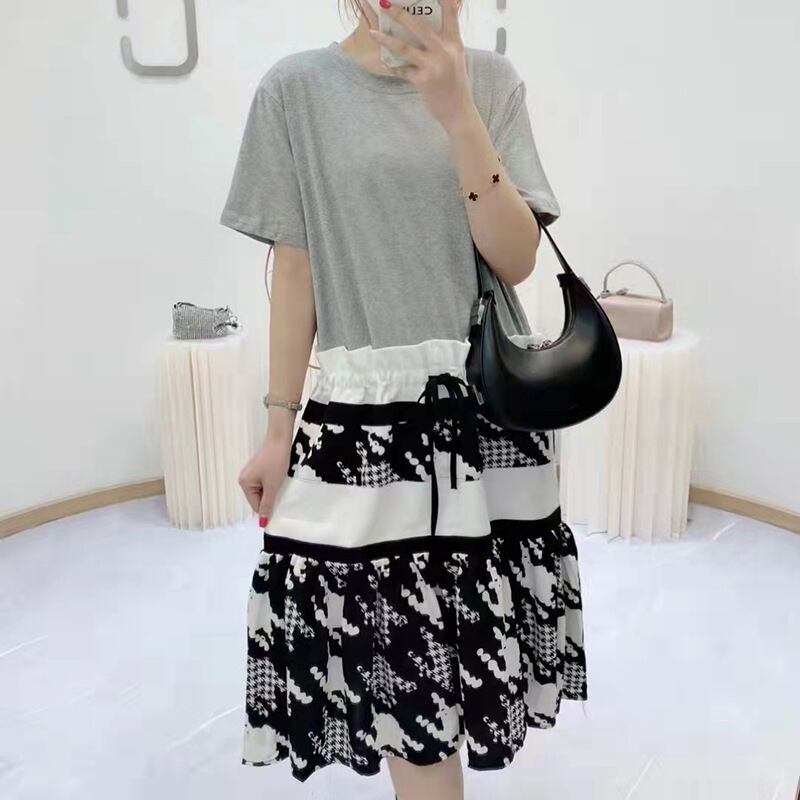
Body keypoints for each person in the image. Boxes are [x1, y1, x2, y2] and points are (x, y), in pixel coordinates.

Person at [218, 1, 587, 797]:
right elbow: (295, 269)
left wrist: (457, 114)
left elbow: (518, 259)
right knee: (403, 678)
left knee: (462, 662)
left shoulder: (491, 82)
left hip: (482, 419)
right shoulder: (296, 90)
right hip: (364, 424)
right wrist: (279, 427)